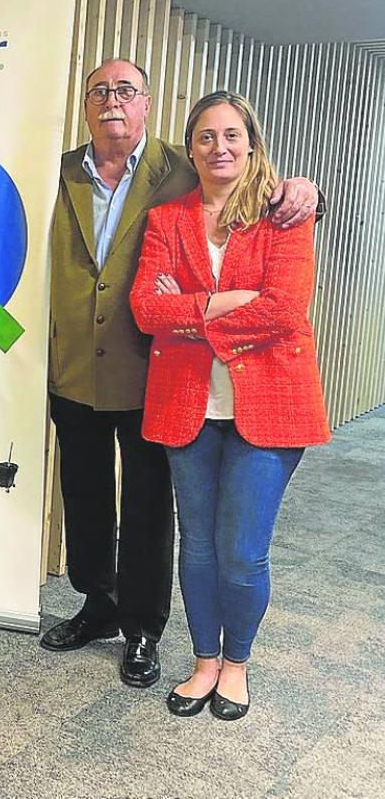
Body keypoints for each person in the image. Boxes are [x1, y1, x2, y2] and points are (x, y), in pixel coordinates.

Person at [43, 58, 319, 689]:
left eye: (126, 91)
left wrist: (307, 189)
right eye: (100, 91)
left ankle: (142, 626)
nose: (113, 102)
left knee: (148, 507)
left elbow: (271, 202)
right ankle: (96, 603)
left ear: (147, 104)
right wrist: (218, 305)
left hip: (155, 374)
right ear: (86, 104)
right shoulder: (55, 170)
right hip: (76, 368)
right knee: (85, 495)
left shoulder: (178, 167)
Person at [130, 90, 330, 719]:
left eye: (232, 135)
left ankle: (236, 663)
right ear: (191, 148)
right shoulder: (167, 219)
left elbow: (282, 310)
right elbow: (145, 307)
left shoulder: (283, 217)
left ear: (252, 143)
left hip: (269, 405)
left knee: (242, 549)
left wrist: (186, 311)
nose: (220, 147)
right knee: (198, 545)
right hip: (186, 402)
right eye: (206, 137)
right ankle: (203, 661)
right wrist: (225, 300)